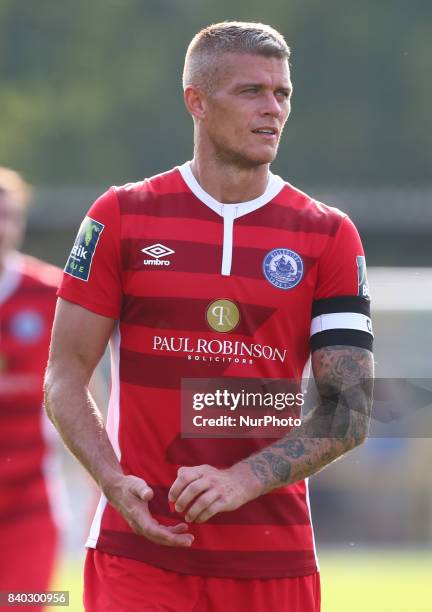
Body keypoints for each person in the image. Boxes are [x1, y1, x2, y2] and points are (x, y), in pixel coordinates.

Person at [44, 21, 374, 612]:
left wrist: (240, 481)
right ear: (196, 101)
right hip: (138, 553)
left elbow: (348, 413)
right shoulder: (120, 215)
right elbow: (65, 376)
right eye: (252, 91)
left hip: (273, 563)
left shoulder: (328, 234)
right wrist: (112, 480)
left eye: (283, 94)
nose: (273, 109)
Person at [0, 168, 62, 609]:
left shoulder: (50, 292)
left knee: (23, 603)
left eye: (8, 215)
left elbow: (81, 386)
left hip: (29, 504)